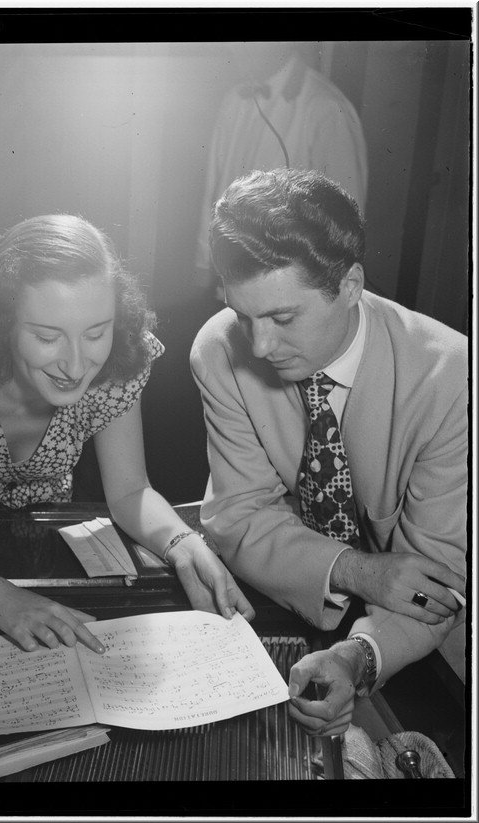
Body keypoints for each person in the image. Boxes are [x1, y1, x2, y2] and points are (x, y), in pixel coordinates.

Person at [0, 215, 255, 655]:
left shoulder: (120, 358)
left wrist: (182, 544)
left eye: (95, 333)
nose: (75, 364)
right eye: (47, 336)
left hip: (37, 538)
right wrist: (1, 596)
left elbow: (129, 491)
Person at [189, 169, 466, 737]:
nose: (259, 346)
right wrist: (357, 570)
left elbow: (434, 584)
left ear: (350, 285)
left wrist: (356, 656)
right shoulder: (219, 349)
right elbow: (237, 517)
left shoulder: (453, 378)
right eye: (244, 315)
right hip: (293, 605)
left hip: (428, 641)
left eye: (283, 318)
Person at [195, 43, 367, 297]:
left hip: (288, 293)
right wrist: (202, 264)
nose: (234, 49)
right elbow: (213, 190)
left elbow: (347, 222)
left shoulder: (327, 108)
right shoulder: (233, 100)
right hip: (228, 282)